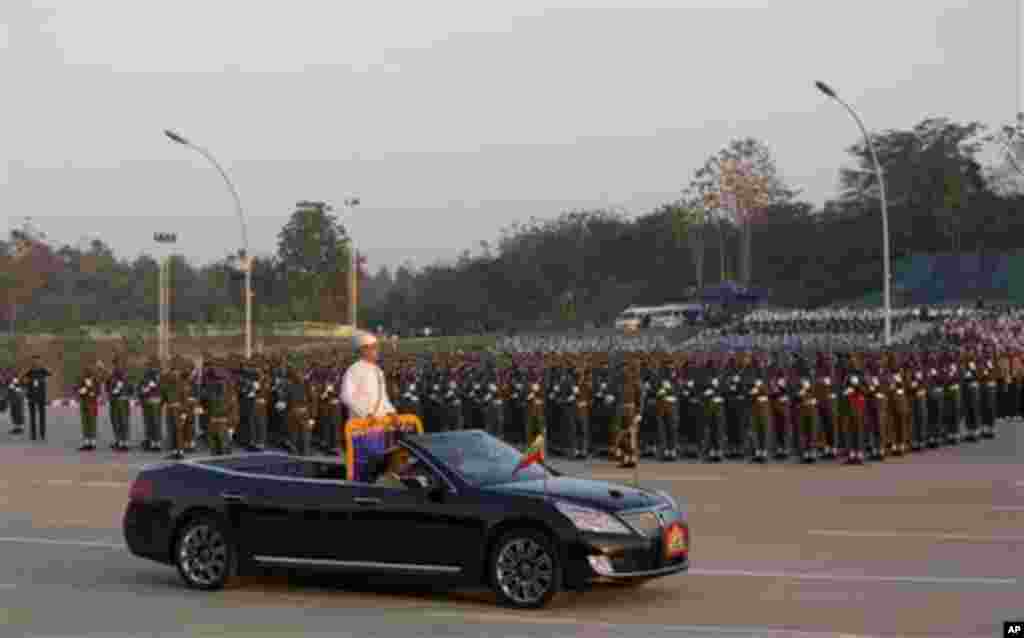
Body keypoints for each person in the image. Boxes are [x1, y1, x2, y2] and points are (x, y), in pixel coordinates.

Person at [341, 332, 397, 419]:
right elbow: (346, 396)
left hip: (380, 422)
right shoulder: (354, 369)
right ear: (364, 350)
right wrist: (365, 413)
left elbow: (383, 397)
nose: (377, 351)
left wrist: (392, 412)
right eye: (374, 348)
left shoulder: (378, 371)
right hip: (362, 423)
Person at [24, 355, 51, 441]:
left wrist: (45, 368)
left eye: (38, 361)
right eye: (34, 361)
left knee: (42, 415)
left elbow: (50, 373)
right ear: (32, 362)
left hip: (41, 396)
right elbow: (23, 378)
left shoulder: (43, 370)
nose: (36, 362)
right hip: (31, 396)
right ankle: (33, 434)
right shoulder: (29, 371)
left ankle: (42, 433)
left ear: (40, 361)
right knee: (32, 416)